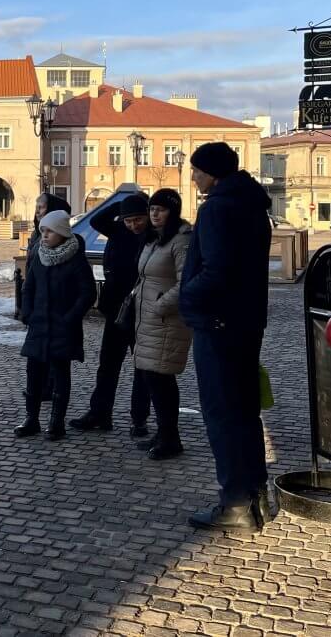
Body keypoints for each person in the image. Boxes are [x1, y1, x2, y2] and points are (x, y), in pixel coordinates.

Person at [179, 142, 273, 531]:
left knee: (222, 413)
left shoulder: (217, 207)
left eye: (197, 170)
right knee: (244, 410)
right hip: (246, 321)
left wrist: (187, 295)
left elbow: (217, 270)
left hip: (219, 323)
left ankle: (235, 503)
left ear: (213, 173)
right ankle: (256, 495)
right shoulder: (253, 205)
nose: (193, 177)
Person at [72, 194, 152, 436]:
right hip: (116, 308)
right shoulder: (118, 230)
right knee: (107, 365)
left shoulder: (154, 236)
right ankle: (100, 413)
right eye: (129, 220)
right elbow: (97, 220)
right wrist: (123, 205)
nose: (133, 225)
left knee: (143, 368)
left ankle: (139, 419)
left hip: (143, 310)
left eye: (138, 219)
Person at [17, 210, 95, 441]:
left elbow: (87, 293)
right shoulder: (39, 256)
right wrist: (27, 312)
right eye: (42, 230)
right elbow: (28, 287)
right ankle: (31, 419)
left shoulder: (76, 260)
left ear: (61, 232)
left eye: (49, 230)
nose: (45, 235)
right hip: (39, 326)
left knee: (60, 375)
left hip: (63, 327)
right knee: (33, 374)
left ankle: (56, 422)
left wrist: (71, 316)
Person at [131, 189, 193, 460]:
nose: (154, 214)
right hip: (148, 319)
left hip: (166, 319)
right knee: (153, 377)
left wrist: (159, 304)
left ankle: (170, 438)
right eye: (152, 208)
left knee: (161, 379)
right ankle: (164, 432)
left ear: (173, 211)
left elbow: (186, 282)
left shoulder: (180, 240)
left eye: (161, 209)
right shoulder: (154, 239)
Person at [21, 192, 71, 405]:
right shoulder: (37, 234)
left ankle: (49, 390)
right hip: (38, 306)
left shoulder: (65, 241)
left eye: (41, 207)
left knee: (55, 357)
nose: (37, 211)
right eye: (37, 206)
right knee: (36, 356)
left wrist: (71, 313)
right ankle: (38, 391)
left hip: (57, 309)